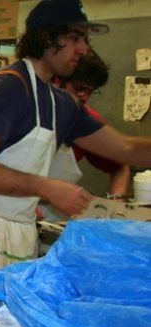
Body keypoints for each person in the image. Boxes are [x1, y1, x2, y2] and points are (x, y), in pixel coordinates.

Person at [0, 0, 151, 313]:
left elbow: (125, 149)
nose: (84, 49)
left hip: (19, 232)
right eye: (75, 38)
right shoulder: (8, 88)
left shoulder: (61, 104)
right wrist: (47, 188)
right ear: (48, 38)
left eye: (84, 40)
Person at [39, 48, 131, 221]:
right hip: (5, 211)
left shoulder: (86, 122)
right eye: (80, 88)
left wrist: (115, 208)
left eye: (90, 91)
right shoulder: (27, 111)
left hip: (52, 218)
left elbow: (120, 167)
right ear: (57, 81)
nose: (85, 97)